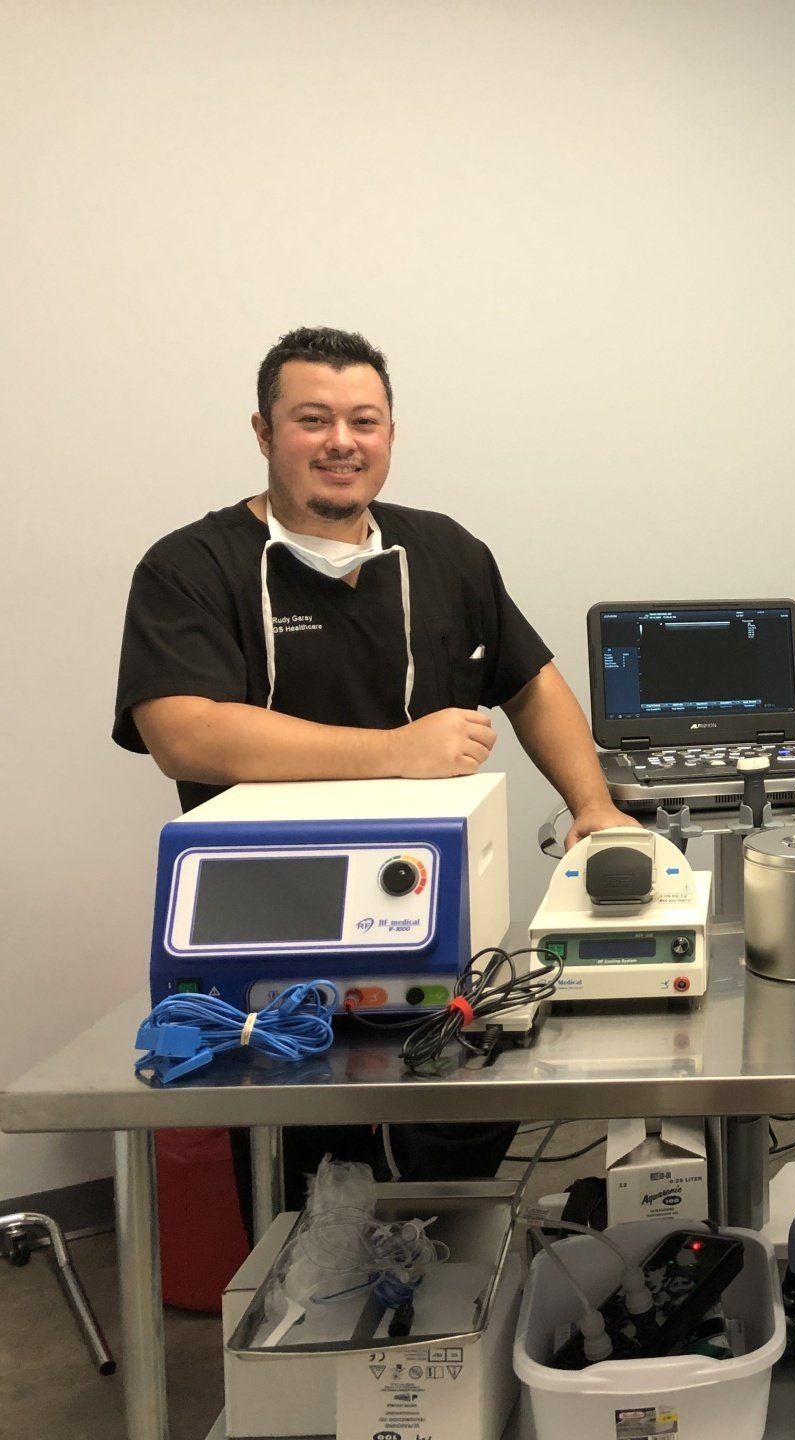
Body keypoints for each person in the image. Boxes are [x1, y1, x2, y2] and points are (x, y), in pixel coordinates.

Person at [114, 325, 629, 1210]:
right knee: (304, 1189)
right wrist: (396, 752)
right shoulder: (191, 568)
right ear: (264, 431)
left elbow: (531, 681)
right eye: (313, 419)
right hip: (274, 940)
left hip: (440, 930)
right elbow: (183, 732)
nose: (342, 442)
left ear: (391, 433)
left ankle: (440, 1272)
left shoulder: (446, 553)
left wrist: (594, 804)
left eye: (365, 420)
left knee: (453, 1158)